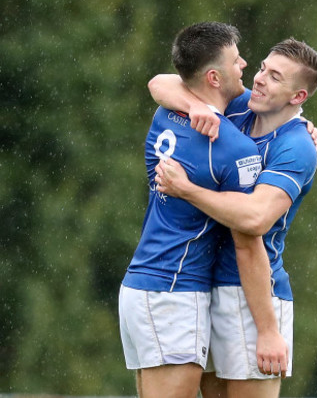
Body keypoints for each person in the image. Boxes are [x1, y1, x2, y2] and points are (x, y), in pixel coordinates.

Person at [150, 37, 317, 398]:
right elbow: (160, 83)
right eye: (262, 68)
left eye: (275, 77)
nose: (259, 78)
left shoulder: (296, 146)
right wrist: (194, 106)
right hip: (207, 286)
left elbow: (255, 219)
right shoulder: (243, 106)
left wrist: (188, 190)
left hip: (255, 298)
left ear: (298, 98)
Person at [119, 21, 287, 398]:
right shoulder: (232, 148)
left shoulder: (166, 112)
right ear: (213, 76)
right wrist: (268, 329)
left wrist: (300, 125)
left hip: (148, 283)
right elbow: (247, 236)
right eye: (234, 60)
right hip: (173, 290)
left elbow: (161, 82)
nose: (244, 64)